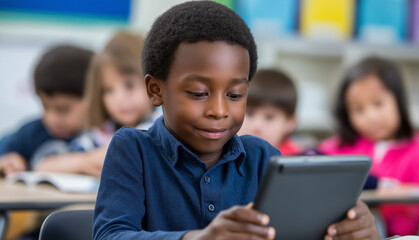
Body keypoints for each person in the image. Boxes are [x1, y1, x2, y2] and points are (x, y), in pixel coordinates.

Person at [93, 2, 381, 240]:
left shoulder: (264, 159)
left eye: (235, 94)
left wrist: (354, 230)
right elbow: (110, 235)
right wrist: (199, 238)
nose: (219, 110)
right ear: (156, 90)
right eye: (198, 93)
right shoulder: (133, 150)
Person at [319, 56, 419, 236]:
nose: (370, 117)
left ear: (398, 101)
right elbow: (309, 161)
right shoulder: (341, 146)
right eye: (358, 109)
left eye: (378, 104)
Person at [33, 32, 157, 177]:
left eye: (129, 86)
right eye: (107, 90)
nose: (119, 99)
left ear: (153, 83)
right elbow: (43, 165)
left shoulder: (163, 130)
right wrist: (86, 161)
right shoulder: (101, 134)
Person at [0, 45, 94, 176]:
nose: (51, 118)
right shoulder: (32, 133)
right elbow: (4, 154)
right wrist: (7, 161)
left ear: (94, 99)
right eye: (45, 106)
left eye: (63, 109)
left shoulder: (105, 135)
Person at [238, 69, 302, 155]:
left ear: (291, 122)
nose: (257, 126)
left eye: (269, 117)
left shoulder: (297, 161)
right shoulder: (223, 155)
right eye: (249, 113)